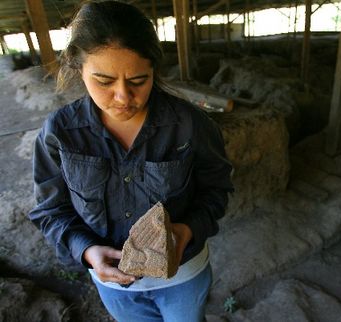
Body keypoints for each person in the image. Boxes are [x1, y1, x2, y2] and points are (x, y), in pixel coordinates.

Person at [28, 1, 234, 321]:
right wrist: (86, 250)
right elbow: (52, 210)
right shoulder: (60, 134)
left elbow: (216, 188)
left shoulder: (190, 125)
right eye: (104, 81)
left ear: (153, 69)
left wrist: (187, 230)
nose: (123, 97)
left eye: (138, 80)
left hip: (183, 277)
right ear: (77, 67)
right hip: (115, 288)